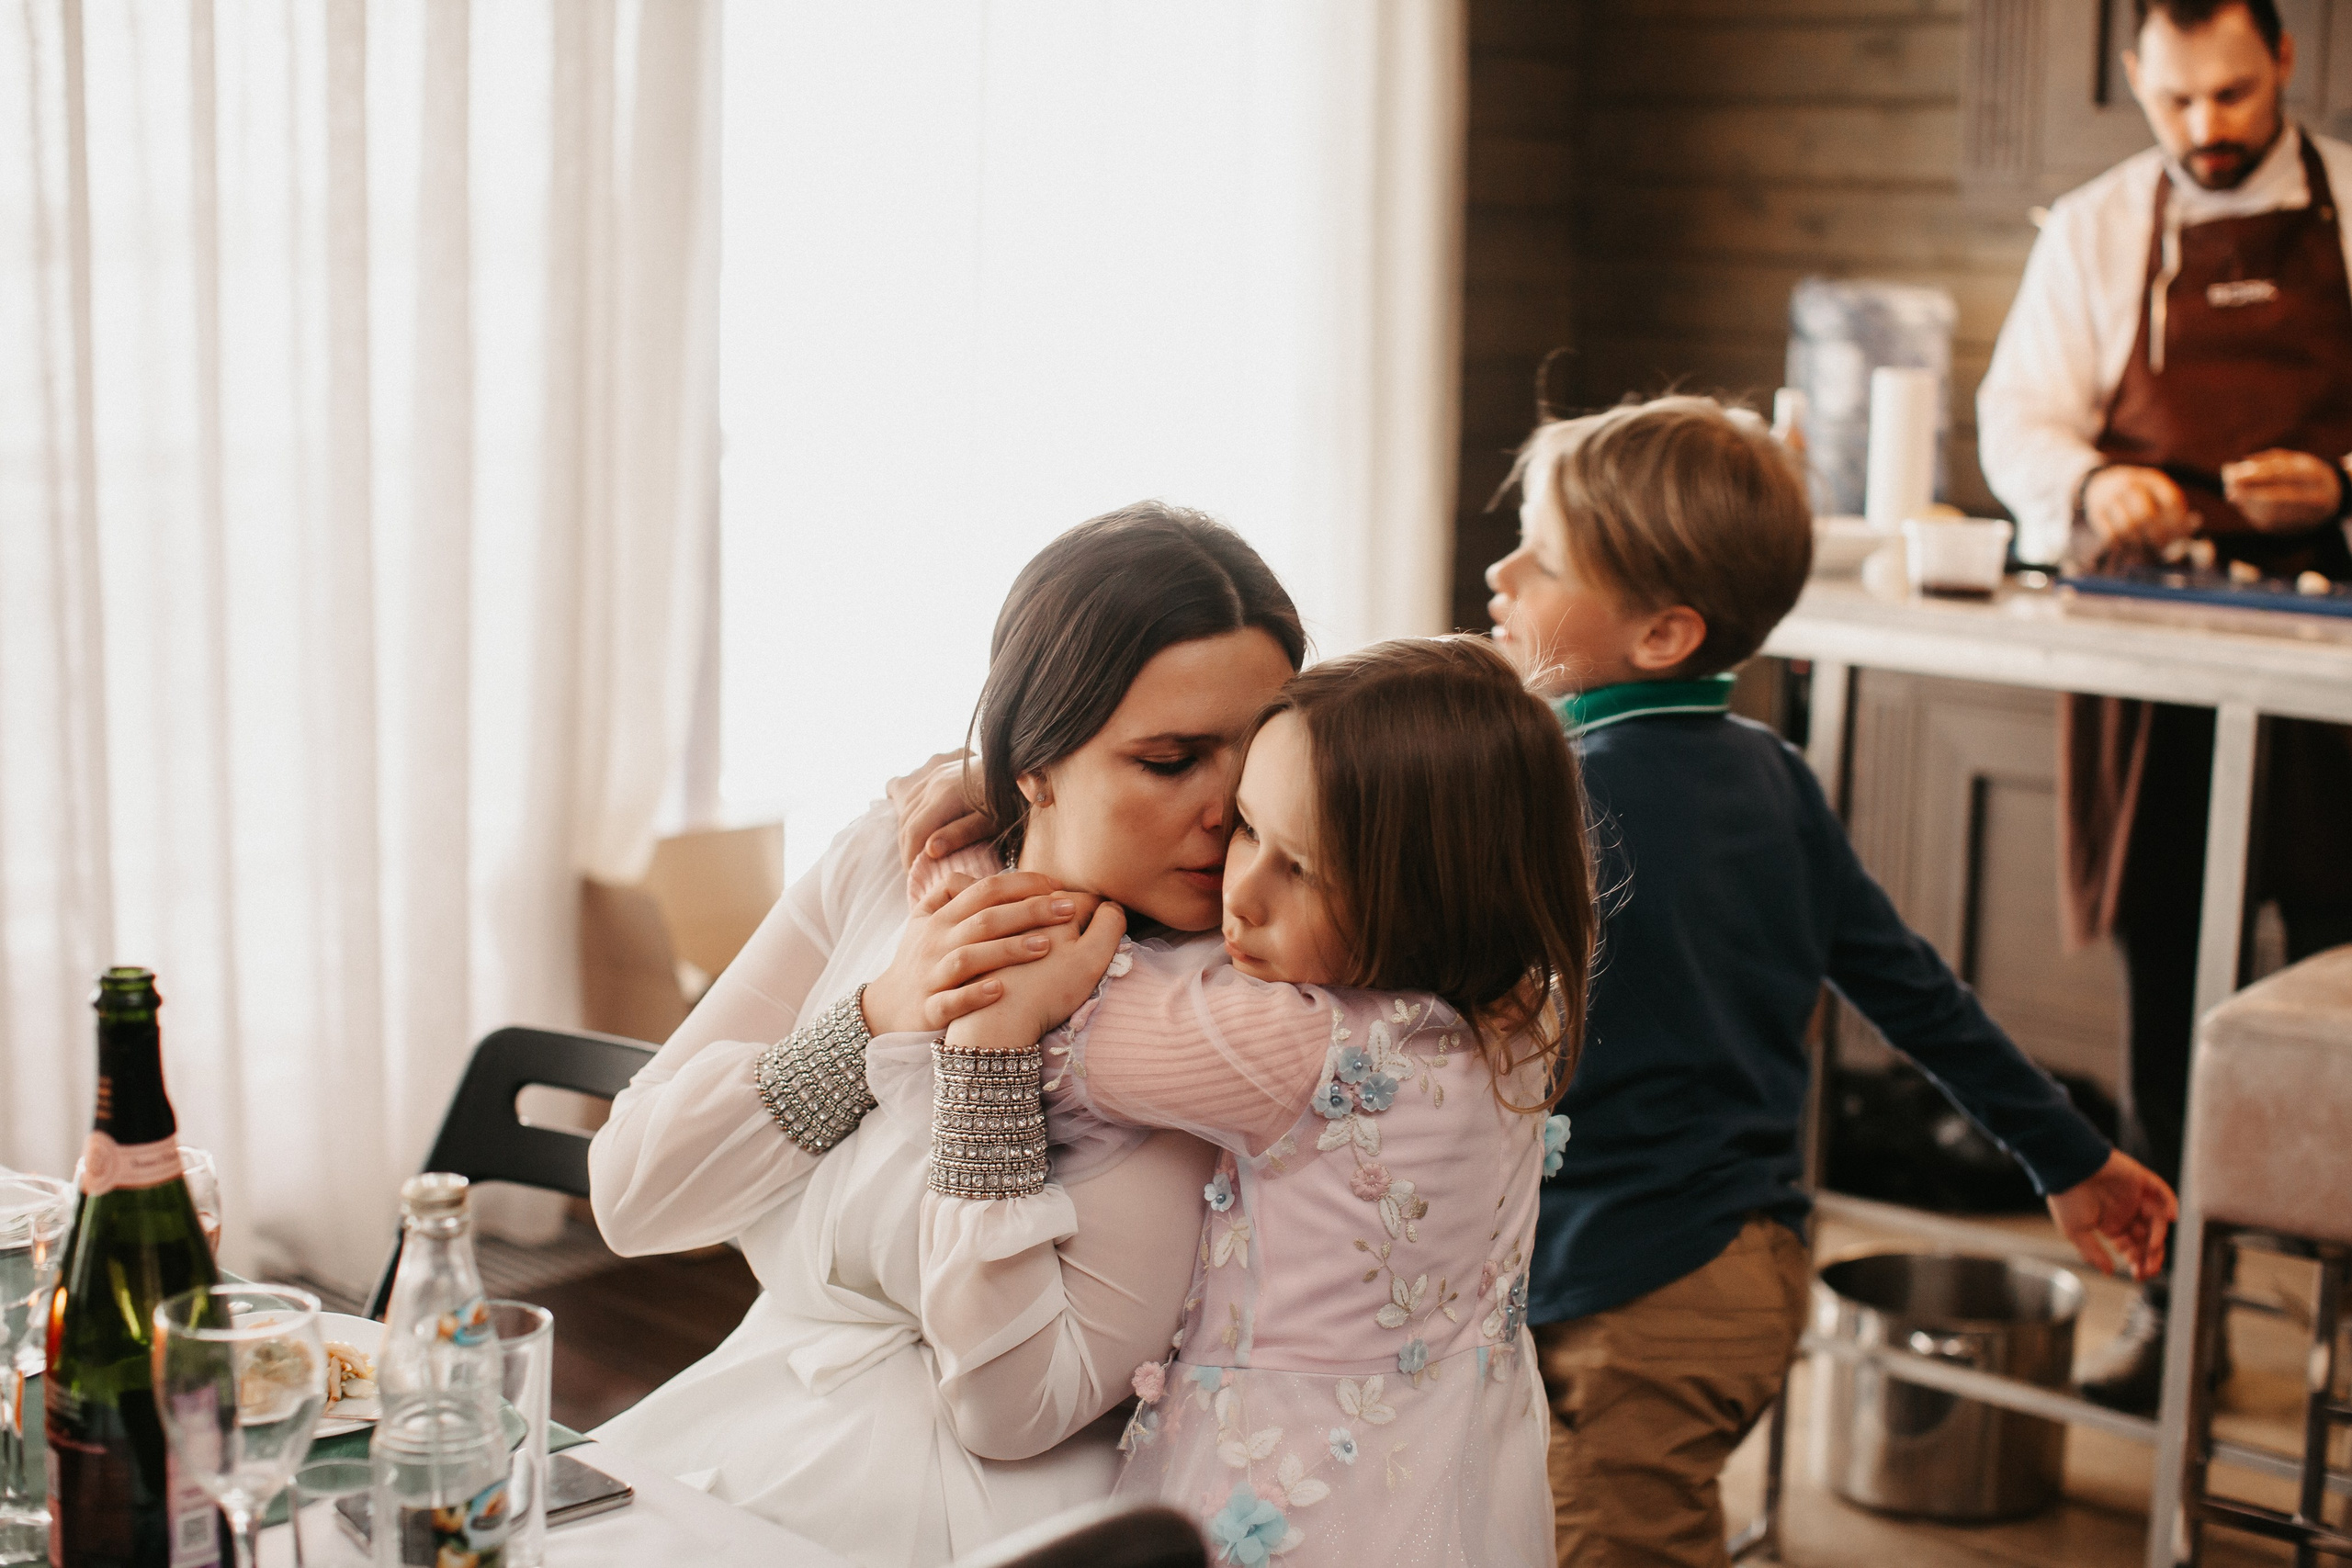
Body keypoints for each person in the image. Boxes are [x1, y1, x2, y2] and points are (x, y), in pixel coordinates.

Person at [1483, 396, 2179, 1568]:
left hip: (1633, 1292)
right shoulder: (1773, 775)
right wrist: (2067, 1156)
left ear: (1663, 635)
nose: (1500, 570)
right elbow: (1916, 993)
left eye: (1542, 556)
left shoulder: (1553, 796)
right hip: (1744, 1270)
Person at [586, 502, 1305, 1567]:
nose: (1225, 813)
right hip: (737, 1415)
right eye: (1170, 760)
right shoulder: (892, 864)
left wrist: (990, 1066)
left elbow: (1015, 1409)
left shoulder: (1225, 1002)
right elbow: (633, 1197)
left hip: (984, 1518)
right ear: (1032, 759)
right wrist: (876, 1017)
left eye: (1251, 764)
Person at [897, 637, 1592, 1566]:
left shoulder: (1287, 1046)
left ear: (1430, 889)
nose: (1242, 893)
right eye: (1247, 830)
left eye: (1300, 867)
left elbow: (1014, 973)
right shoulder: (1518, 1001)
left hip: (1292, 1504)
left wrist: (970, 852)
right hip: (1464, 1480)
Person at [1976, 0, 2352, 1411]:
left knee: (2337, 979)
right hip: (2154, 650)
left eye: (2235, 95)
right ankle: (2168, 1316)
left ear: (2287, 69)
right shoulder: (2095, 226)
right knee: (2164, 978)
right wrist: (2089, 484)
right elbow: (2022, 413)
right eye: (2180, 99)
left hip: (2335, 660)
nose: (2208, 127)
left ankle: (2332, 1330)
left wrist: (2342, 483)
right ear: (2139, 78)